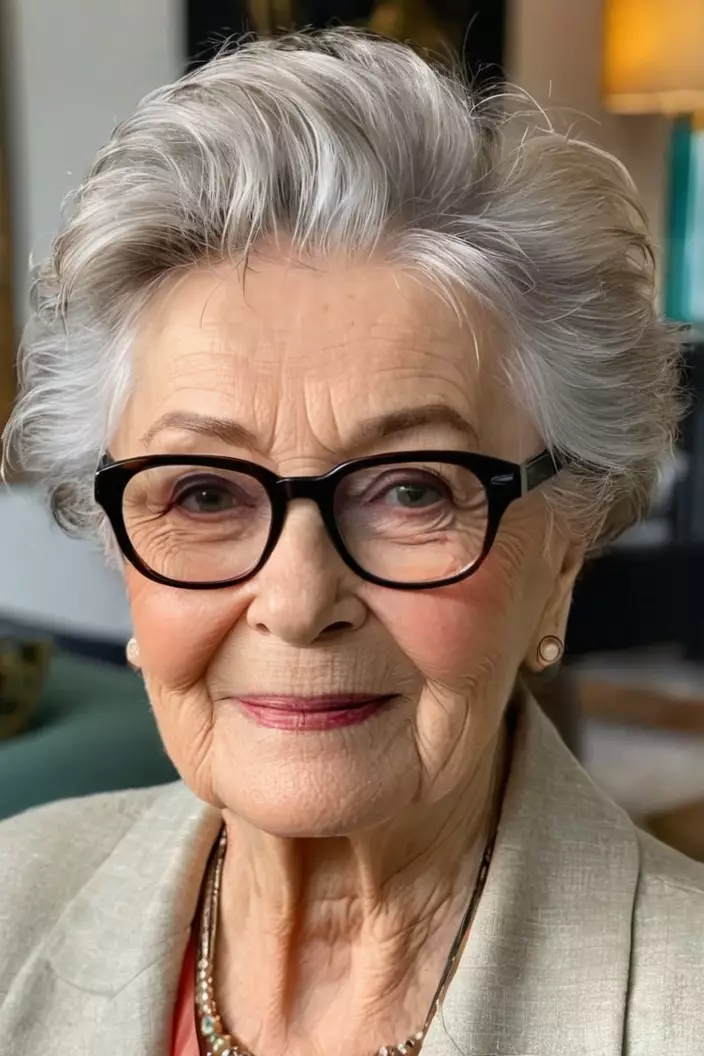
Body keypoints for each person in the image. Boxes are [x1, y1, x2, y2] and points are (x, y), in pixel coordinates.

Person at [1, 28, 702, 1056]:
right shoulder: (15, 898)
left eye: (412, 488)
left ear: (560, 556)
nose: (294, 599)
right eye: (201, 494)